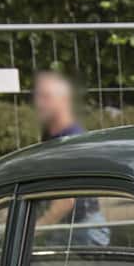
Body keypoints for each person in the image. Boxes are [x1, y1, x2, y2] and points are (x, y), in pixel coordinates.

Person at [31, 69, 108, 246]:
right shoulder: (55, 139)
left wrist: (32, 231)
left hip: (83, 234)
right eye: (37, 97)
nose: (39, 104)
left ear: (64, 100)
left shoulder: (70, 142)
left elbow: (65, 202)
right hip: (69, 230)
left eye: (46, 97)